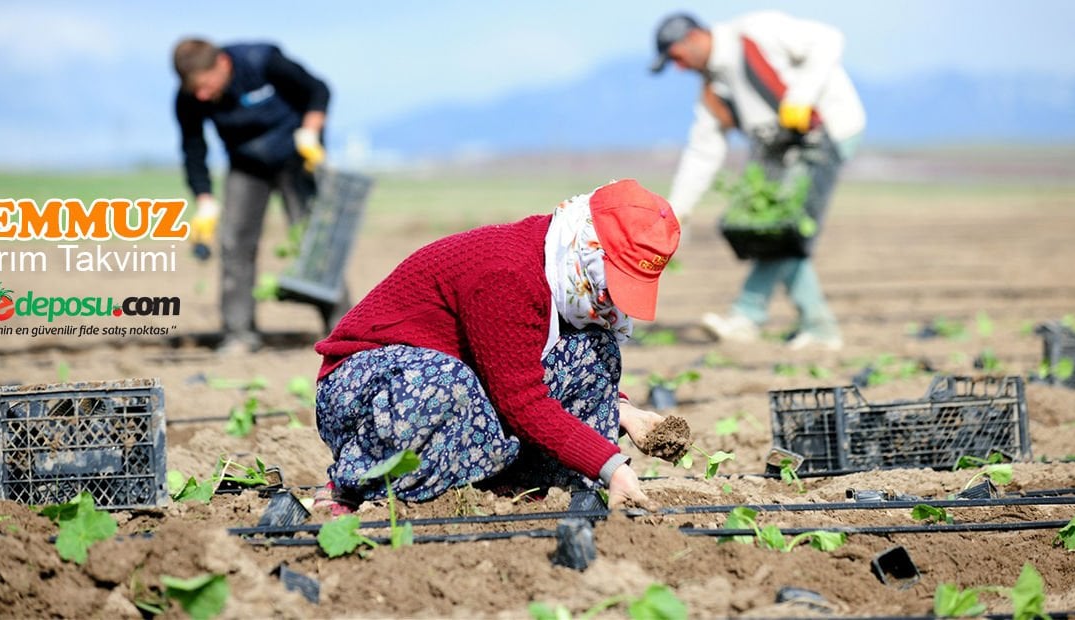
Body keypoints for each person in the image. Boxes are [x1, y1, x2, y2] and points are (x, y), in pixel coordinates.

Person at [310, 179, 681, 512]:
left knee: (593, 350)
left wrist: (621, 409)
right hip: (366, 391)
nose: (610, 295)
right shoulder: (508, 274)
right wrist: (611, 466)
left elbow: (536, 361)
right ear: (590, 249)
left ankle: (518, 484)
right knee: (445, 380)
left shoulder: (561, 267)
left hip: (459, 383)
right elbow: (521, 399)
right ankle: (356, 485)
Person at [650, 11, 866, 351]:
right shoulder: (712, 91)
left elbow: (829, 40)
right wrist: (678, 211)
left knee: (783, 229)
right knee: (777, 229)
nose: (679, 68)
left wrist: (801, 96)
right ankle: (806, 325)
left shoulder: (755, 31)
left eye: (676, 57)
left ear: (693, 38)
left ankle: (753, 318)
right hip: (783, 152)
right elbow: (702, 153)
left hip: (829, 133)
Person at [173, 38, 331, 353]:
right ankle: (238, 333)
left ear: (223, 64)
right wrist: (204, 199)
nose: (202, 95)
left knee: (315, 242)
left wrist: (311, 132)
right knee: (234, 243)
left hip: (295, 155)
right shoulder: (189, 97)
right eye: (195, 90)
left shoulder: (263, 61)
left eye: (206, 85)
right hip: (246, 164)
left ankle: (340, 327)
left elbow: (318, 90)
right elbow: (193, 147)